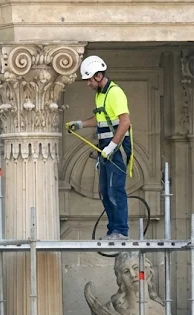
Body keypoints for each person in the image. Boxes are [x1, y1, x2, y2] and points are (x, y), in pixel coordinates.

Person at [67, 55, 133, 240]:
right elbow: (101, 119)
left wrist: (112, 146)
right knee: (104, 191)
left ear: (98, 76)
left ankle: (121, 231)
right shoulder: (101, 94)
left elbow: (125, 122)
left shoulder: (115, 93)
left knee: (115, 189)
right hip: (106, 147)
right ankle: (113, 230)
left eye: (89, 79)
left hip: (117, 147)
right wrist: (80, 124)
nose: (88, 83)